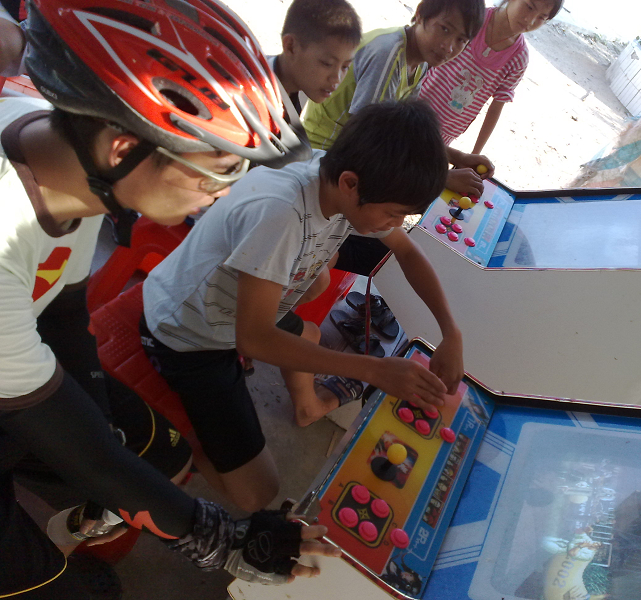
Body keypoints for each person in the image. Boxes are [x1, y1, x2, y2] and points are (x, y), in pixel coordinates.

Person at [0, 1, 339, 597]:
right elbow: (75, 441)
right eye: (216, 172)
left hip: (16, 374)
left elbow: (65, 313)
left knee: (156, 455)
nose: (221, 196)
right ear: (123, 149)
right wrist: (223, 539)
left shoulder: (60, 152)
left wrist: (103, 425)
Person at [140, 100, 464, 514]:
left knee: (312, 324)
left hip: (237, 314)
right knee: (258, 493)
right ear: (350, 184)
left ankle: (304, 403)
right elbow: (254, 338)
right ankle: (169, 448)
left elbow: (407, 253)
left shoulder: (340, 178)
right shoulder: (282, 214)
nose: (394, 225)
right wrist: (373, 370)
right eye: (393, 214)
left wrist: (450, 332)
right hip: (189, 334)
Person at [301, 0, 493, 199]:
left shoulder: (418, 61)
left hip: (346, 158)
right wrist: (440, 178)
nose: (449, 47)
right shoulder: (388, 56)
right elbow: (369, 144)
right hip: (321, 160)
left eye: (461, 39)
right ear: (420, 14)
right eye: (444, 29)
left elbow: (401, 131)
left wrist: (456, 156)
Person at [420, 0, 563, 154]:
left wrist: (475, 154)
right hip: (416, 105)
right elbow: (430, 51)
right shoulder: (474, 21)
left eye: (541, 17)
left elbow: (496, 107)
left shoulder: (518, 58)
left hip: (446, 131)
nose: (530, 20)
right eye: (529, 7)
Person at [268, 0, 362, 118]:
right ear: (291, 46)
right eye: (327, 63)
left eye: (345, 67)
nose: (336, 79)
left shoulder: (290, 96)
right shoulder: (252, 102)